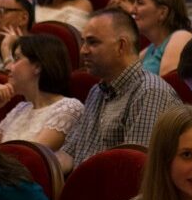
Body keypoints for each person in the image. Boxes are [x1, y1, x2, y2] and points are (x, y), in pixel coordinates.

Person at [62, 9, 180, 171]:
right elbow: (69, 154)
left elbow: (133, 169)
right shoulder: (96, 91)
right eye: (83, 42)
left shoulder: (149, 92)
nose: (83, 51)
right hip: (86, 182)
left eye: (93, 42)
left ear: (121, 46)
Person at [0, 33, 82, 154]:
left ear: (37, 67)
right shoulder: (20, 108)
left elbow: (31, 158)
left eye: (16, 59)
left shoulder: (68, 108)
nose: (8, 67)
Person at [133, 0, 192, 78]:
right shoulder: (149, 50)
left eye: (140, 3)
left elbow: (168, 85)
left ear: (162, 12)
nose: (132, 10)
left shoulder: (180, 37)